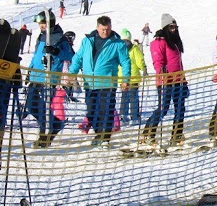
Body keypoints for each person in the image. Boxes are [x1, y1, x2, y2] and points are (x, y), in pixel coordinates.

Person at [69, 16, 130, 147]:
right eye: (103, 29)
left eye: (107, 29)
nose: (105, 32)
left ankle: (104, 138)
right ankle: (99, 134)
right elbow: (78, 58)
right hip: (89, 83)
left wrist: (125, 79)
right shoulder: (87, 41)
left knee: (105, 111)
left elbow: (125, 62)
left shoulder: (118, 43)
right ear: (97, 28)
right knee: (92, 111)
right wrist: (71, 73)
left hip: (107, 84)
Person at [24, 10, 74, 148]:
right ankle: (55, 124)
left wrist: (56, 52)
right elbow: (36, 57)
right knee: (31, 105)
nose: (41, 26)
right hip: (36, 77)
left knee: (46, 107)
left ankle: (44, 136)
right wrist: (29, 71)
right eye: (40, 24)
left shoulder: (60, 38)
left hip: (50, 77)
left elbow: (70, 56)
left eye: (43, 23)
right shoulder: (40, 37)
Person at [140, 14, 187, 149]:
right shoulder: (159, 42)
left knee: (180, 108)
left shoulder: (175, 42)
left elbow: (179, 64)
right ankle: (149, 132)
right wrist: (162, 72)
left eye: (175, 27)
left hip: (178, 80)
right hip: (165, 81)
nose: (174, 30)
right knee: (163, 108)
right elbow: (157, 62)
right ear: (165, 27)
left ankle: (177, 134)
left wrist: (184, 80)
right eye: (171, 27)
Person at [118, 30, 147, 126]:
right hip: (133, 77)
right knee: (133, 97)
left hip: (122, 78)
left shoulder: (119, 49)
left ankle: (123, 116)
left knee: (124, 96)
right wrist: (143, 67)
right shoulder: (134, 48)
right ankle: (134, 116)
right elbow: (139, 61)